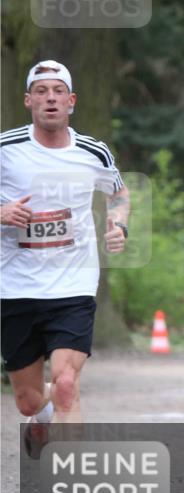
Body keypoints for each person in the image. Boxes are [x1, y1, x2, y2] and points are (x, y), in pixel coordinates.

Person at [1, 60, 130, 455]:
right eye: (41, 91)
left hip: (74, 283)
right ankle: (41, 416)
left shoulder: (93, 152)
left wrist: (119, 225)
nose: (50, 98)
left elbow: (119, 193)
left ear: (71, 101)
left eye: (58, 91)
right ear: (28, 100)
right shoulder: (5, 148)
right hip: (16, 286)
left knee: (67, 383)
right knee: (27, 400)